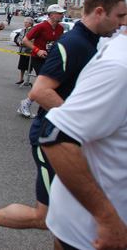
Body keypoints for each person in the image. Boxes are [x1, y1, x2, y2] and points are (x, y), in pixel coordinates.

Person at [0, 0, 127, 250]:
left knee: (60, 217)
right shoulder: (73, 43)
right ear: (100, 12)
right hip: (53, 136)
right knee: (48, 217)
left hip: (70, 139)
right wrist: (76, 123)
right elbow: (40, 91)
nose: (122, 23)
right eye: (120, 16)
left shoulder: (96, 43)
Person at [40, 29, 127, 250]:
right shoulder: (118, 66)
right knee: (41, 214)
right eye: (118, 15)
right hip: (95, 229)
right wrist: (106, 217)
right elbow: (56, 134)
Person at [17, 4, 67, 117]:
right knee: (44, 84)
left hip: (51, 59)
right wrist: (37, 50)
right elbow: (26, 40)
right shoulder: (40, 27)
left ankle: (28, 103)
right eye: (59, 13)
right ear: (51, 15)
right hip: (37, 58)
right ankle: (31, 105)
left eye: (62, 13)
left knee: (50, 84)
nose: (62, 15)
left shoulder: (61, 28)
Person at [15, 17, 34, 85]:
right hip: (22, 50)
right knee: (21, 65)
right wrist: (19, 42)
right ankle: (21, 78)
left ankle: (28, 80)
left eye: (26, 22)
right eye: (25, 22)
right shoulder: (23, 30)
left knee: (29, 65)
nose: (25, 24)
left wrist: (24, 43)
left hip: (29, 50)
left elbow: (32, 40)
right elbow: (19, 38)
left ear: (30, 23)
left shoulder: (33, 30)